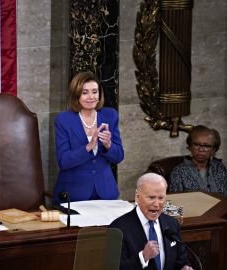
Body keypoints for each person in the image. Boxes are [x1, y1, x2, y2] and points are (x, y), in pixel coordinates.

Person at [53, 71, 124, 204]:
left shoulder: (110, 115)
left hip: (105, 193)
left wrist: (109, 145)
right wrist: (88, 147)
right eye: (85, 93)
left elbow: (119, 156)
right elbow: (63, 161)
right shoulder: (63, 120)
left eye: (94, 91)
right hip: (73, 194)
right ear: (76, 95)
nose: (91, 97)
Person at [109, 173, 193, 270]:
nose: (157, 204)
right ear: (138, 197)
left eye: (161, 198)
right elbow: (115, 267)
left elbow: (181, 260)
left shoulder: (172, 224)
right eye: (151, 197)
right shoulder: (118, 229)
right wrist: (143, 257)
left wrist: (185, 267)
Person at [169, 125, 227, 199]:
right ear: (190, 147)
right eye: (196, 144)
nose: (201, 149)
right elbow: (175, 204)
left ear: (213, 150)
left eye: (206, 146)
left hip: (223, 209)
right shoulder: (178, 172)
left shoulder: (220, 168)